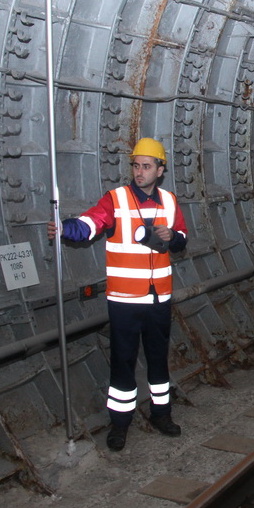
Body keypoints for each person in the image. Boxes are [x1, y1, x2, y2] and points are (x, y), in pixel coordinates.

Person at [48, 137, 188, 451]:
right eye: (136, 166)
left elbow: (182, 238)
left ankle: (161, 415)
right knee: (122, 362)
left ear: (160, 170)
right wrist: (65, 227)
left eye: (147, 166)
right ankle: (120, 424)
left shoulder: (169, 201)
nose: (140, 172)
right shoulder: (116, 199)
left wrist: (172, 236)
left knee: (157, 360)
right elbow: (89, 224)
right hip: (125, 300)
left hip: (159, 298)